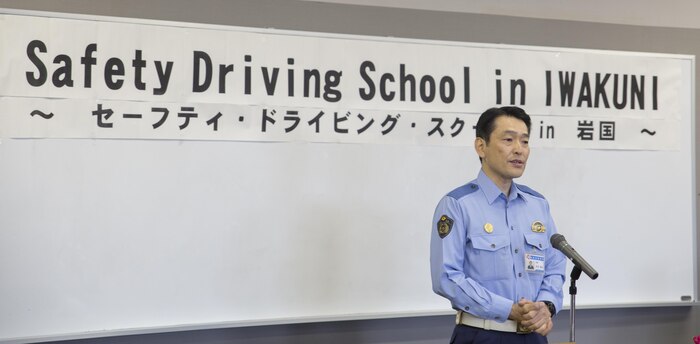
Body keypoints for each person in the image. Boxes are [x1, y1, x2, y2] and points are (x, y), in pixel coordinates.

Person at [430, 106, 566, 344]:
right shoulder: (457, 205)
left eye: (524, 142)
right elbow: (447, 277)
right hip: (481, 335)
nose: (519, 150)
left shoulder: (537, 204)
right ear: (481, 146)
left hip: (533, 337)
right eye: (508, 140)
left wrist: (546, 306)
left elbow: (554, 265)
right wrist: (507, 309)